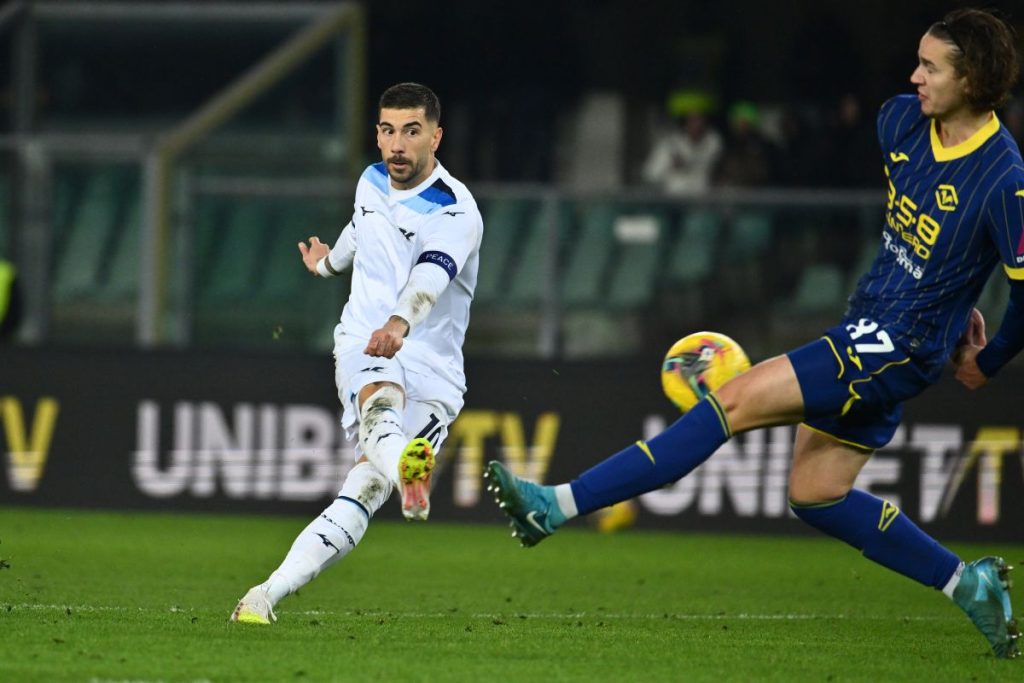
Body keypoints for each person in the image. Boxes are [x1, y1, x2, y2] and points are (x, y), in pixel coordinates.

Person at [487, 8, 1022, 658]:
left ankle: (555, 504)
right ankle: (968, 583)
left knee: (732, 402)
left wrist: (987, 360)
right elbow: (936, 241)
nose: (913, 76)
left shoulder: (1004, 179)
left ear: (972, 79)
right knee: (815, 495)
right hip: (868, 318)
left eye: (930, 67)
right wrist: (957, 298)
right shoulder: (900, 122)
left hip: (894, 346)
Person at [231, 82, 483, 624]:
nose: (397, 145)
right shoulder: (370, 180)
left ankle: (267, 591)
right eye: (388, 131)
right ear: (378, 133)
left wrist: (400, 322)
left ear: (436, 137)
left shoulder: (455, 210)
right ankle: (265, 596)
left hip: (432, 365)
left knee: (367, 485)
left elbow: (431, 275)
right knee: (379, 404)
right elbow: (360, 226)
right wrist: (327, 265)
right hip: (365, 338)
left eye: (411, 131)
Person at [641, 90, 723, 195]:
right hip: (673, 197)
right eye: (692, 120)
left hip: (702, 197)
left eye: (699, 119)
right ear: (685, 122)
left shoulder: (713, 141)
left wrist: (686, 161)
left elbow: (710, 165)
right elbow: (651, 174)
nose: (697, 124)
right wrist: (671, 165)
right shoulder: (670, 143)